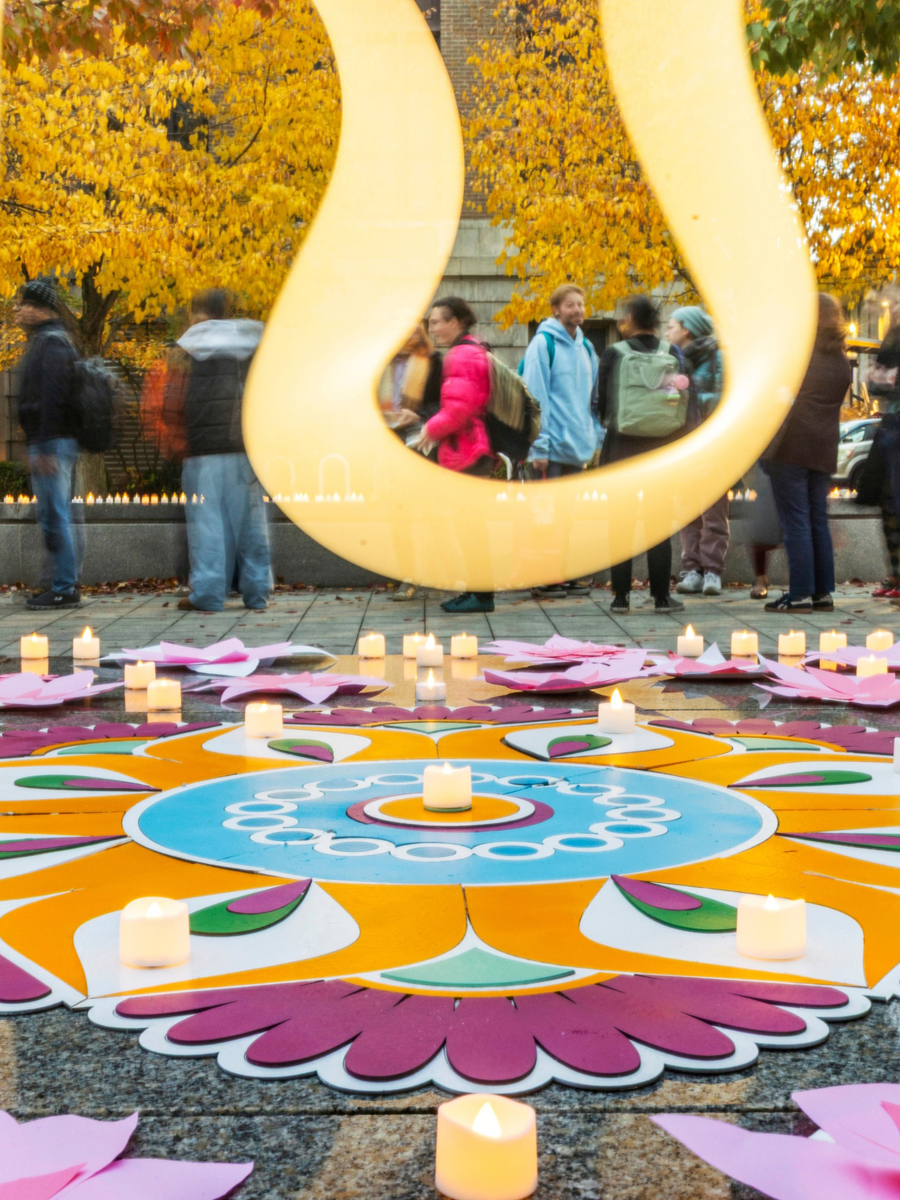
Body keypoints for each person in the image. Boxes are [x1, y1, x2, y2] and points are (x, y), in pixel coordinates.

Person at [177, 289, 272, 613]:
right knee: (251, 524)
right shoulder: (250, 343)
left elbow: (178, 396)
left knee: (207, 526)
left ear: (200, 313)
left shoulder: (190, 345)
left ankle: (207, 593)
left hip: (204, 448)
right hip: (244, 446)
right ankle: (257, 591)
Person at [596, 295, 691, 614]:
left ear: (629, 320)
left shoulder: (614, 353)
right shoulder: (672, 353)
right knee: (659, 526)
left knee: (620, 525)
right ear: (655, 322)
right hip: (660, 453)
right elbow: (684, 400)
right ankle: (662, 597)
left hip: (621, 450)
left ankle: (620, 596)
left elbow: (601, 406)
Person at [762, 293, 851, 613]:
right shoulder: (841, 359)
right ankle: (822, 593)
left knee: (795, 521)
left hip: (790, 446)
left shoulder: (798, 355)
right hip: (823, 447)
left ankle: (799, 593)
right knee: (817, 520)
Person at [416, 296, 495, 614]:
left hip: (467, 451)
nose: (431, 328)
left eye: (436, 321)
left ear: (455, 322)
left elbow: (459, 409)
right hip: (472, 448)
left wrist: (428, 430)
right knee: (472, 527)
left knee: (471, 528)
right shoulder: (473, 349)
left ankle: (480, 594)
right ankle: (478, 591)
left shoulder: (460, 356)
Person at [522, 283, 599, 598]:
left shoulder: (587, 348)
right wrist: (538, 447)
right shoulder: (543, 344)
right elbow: (535, 396)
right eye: (570, 305)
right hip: (550, 451)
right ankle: (543, 576)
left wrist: (594, 439)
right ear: (556, 309)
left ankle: (562, 573)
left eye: (581, 304)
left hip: (575, 449)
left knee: (566, 517)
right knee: (545, 516)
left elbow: (592, 400)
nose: (578, 310)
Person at [15, 280, 82, 610]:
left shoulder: (52, 343)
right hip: (50, 441)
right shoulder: (46, 340)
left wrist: (43, 447)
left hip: (52, 442)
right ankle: (58, 583)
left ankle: (64, 587)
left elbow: (53, 398)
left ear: (40, 308)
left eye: (24, 304)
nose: (18, 310)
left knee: (55, 516)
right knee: (54, 515)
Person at [667, 307, 728, 597]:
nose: (668, 332)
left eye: (672, 326)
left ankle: (713, 571)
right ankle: (692, 569)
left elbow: (725, 398)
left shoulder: (719, 357)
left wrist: (688, 395)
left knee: (714, 511)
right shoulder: (672, 359)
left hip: (714, 444)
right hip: (683, 443)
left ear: (687, 329)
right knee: (687, 508)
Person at [384, 323, 443, 602]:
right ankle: (407, 577)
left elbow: (444, 405)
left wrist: (417, 414)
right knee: (399, 515)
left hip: (422, 442)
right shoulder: (379, 366)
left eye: (412, 328)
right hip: (389, 444)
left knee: (431, 512)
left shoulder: (433, 361)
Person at [863, 307, 900, 598]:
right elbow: (874, 383)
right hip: (890, 429)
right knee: (888, 502)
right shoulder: (891, 344)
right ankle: (895, 574)